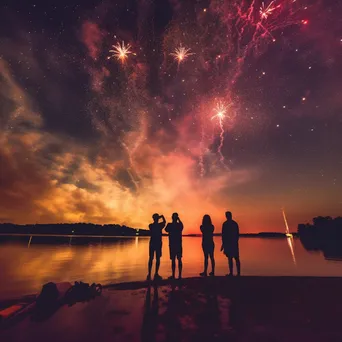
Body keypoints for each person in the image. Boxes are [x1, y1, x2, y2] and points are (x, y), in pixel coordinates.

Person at [221, 211, 241, 276]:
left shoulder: (228, 224)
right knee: (233, 258)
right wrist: (223, 244)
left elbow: (224, 235)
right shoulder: (233, 224)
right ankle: (235, 273)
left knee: (234, 258)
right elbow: (223, 235)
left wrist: (223, 244)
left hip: (231, 243)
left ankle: (235, 273)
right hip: (231, 243)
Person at [147, 213, 166, 281]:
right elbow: (164, 222)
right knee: (157, 258)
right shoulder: (158, 225)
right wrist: (162, 216)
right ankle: (155, 273)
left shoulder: (151, 225)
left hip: (153, 243)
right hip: (157, 243)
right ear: (157, 219)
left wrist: (159, 217)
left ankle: (150, 273)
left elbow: (164, 222)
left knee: (151, 258)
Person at [165, 213, 183, 279]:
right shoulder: (178, 225)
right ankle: (179, 275)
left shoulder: (170, 225)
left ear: (172, 218)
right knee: (179, 259)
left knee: (173, 260)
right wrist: (179, 220)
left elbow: (166, 230)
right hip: (178, 244)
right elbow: (182, 226)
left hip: (173, 244)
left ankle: (173, 275)